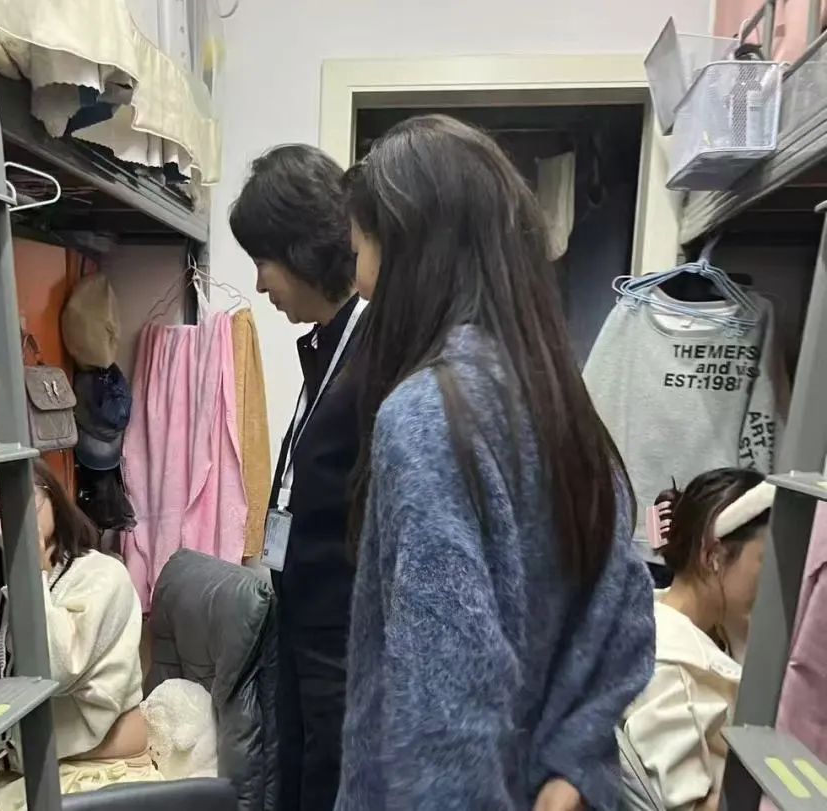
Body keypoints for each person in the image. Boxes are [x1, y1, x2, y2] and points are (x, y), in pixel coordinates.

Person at [338, 115, 655, 810]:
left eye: (359, 251)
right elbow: (626, 615)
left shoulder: (425, 416)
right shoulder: (556, 399)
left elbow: (446, 699)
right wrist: (573, 765)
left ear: (407, 251)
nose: (358, 284)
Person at [229, 144, 363, 811]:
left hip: (344, 646)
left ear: (305, 250)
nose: (259, 285)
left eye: (264, 261)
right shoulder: (324, 346)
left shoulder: (374, 354)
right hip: (303, 629)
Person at [0, 460, 160, 805]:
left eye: (23, 495)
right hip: (18, 773)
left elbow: (52, 671)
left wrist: (29, 571)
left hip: (94, 774)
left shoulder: (104, 575)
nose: (11, 512)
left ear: (53, 499)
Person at [623, 469, 773, 811]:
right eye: (765, 560)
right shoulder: (671, 670)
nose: (773, 579)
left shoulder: (710, 629)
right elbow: (689, 806)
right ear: (713, 556)